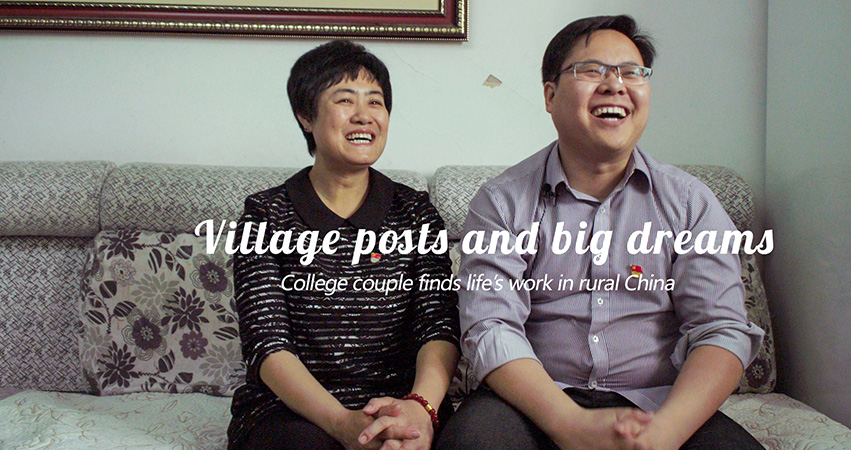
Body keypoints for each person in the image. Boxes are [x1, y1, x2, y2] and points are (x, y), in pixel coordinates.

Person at [437, 15, 765, 450]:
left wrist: (665, 434)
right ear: (550, 95)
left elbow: (720, 329)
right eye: (592, 70)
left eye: (631, 72)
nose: (615, 85)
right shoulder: (503, 201)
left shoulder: (690, 202)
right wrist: (569, 424)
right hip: (531, 403)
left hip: (659, 404)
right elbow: (490, 327)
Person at [227, 40, 460, 450]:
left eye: (376, 102)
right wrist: (342, 424)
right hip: (292, 412)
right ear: (305, 116)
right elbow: (267, 342)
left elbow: (437, 324)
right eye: (345, 100)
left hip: (401, 405)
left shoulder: (415, 213)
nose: (364, 115)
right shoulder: (266, 215)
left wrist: (420, 409)